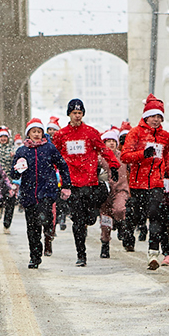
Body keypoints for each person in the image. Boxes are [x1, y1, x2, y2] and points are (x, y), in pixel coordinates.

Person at [51, 98, 120, 266]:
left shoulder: (90, 132)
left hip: (90, 182)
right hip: (72, 184)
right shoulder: (61, 135)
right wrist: (51, 172)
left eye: (80, 113)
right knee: (78, 221)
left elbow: (103, 149)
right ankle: (81, 255)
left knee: (89, 218)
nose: (77, 116)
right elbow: (54, 156)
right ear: (69, 114)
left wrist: (113, 165)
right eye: (74, 113)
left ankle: (90, 217)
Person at [121, 94, 169, 270]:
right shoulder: (135, 133)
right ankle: (128, 234)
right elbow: (125, 156)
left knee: (155, 215)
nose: (156, 120)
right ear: (146, 116)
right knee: (136, 216)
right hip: (138, 183)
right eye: (153, 116)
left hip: (156, 183)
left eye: (159, 116)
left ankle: (153, 254)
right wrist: (142, 154)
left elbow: (165, 156)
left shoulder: (165, 136)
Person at [12, 118, 71, 269]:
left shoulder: (49, 148)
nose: (37, 134)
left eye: (39, 131)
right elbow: (14, 174)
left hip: (47, 191)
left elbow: (62, 165)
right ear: (28, 134)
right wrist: (18, 168)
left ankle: (49, 230)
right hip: (29, 194)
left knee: (44, 218)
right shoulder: (22, 151)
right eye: (34, 131)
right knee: (32, 228)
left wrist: (66, 185)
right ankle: (35, 256)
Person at [98, 127, 130, 257]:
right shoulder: (100, 158)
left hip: (121, 189)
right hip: (105, 192)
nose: (111, 143)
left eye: (113, 141)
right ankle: (105, 244)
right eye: (108, 141)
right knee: (105, 221)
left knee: (119, 209)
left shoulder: (123, 157)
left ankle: (121, 225)